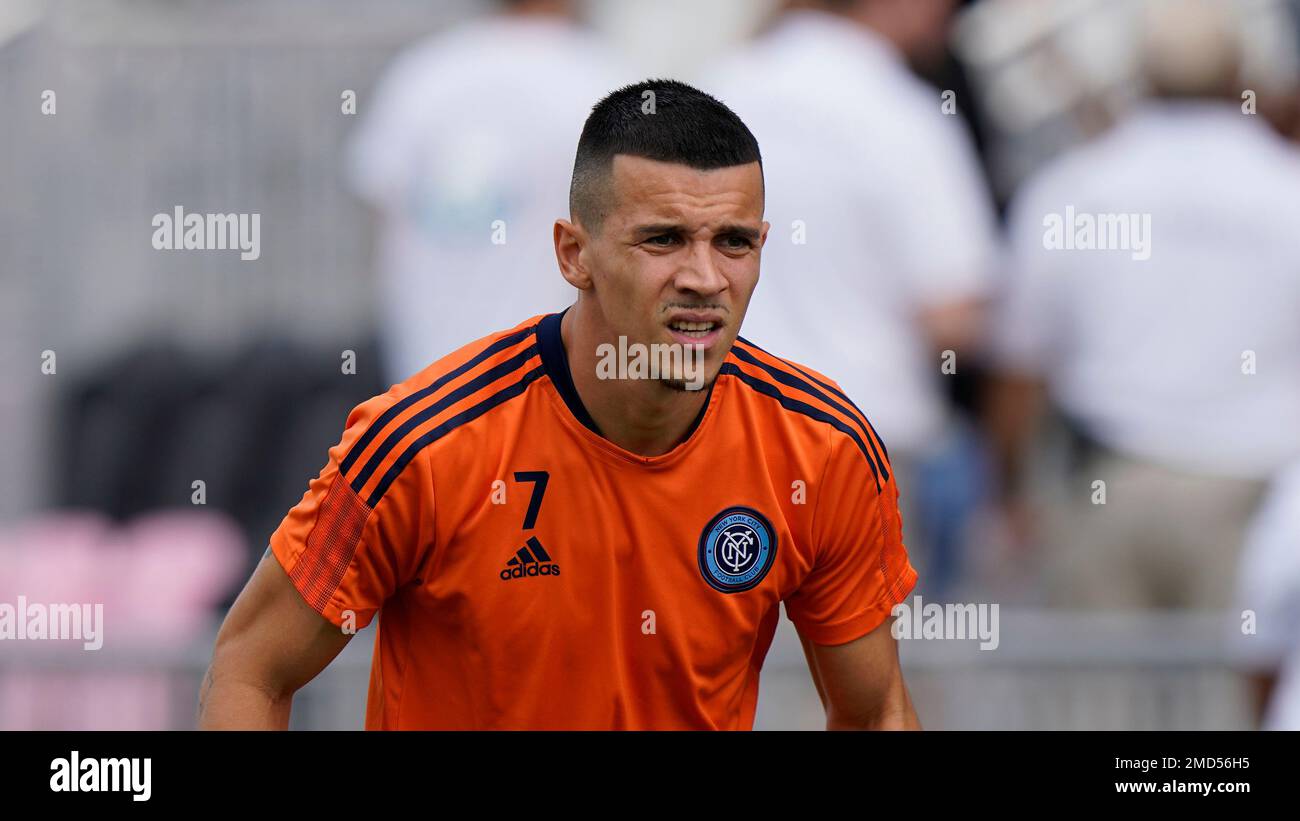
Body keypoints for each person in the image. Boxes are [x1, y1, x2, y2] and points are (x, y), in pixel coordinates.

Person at [199, 80, 920, 730]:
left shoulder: (823, 448)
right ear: (574, 254)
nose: (705, 277)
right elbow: (252, 666)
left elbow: (875, 710)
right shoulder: (421, 444)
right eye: (663, 240)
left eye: (733, 242)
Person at [986, 0, 1300, 609]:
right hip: (1255, 489)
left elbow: (1021, 364)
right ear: (1241, 71)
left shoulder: (1075, 187)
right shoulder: (1286, 190)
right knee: (1233, 695)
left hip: (1107, 486)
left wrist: (1009, 492)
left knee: (1101, 695)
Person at [705, 0, 997, 595]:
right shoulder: (901, 112)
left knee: (727, 678)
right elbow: (954, 314)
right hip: (863, 447)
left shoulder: (716, 90)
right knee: (871, 682)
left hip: (719, 439)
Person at [346, 0, 623, 385]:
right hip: (546, 388)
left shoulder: (424, 72)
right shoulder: (601, 77)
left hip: (423, 387)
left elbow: (379, 195)